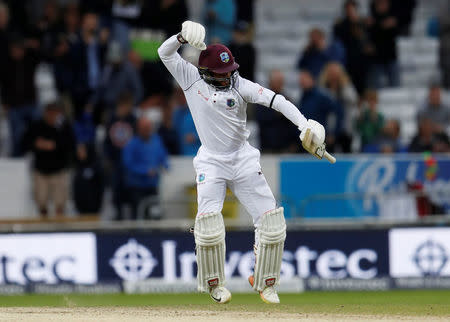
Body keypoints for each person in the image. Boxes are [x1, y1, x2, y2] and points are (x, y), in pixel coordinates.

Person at [158, 21, 329, 304]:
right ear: (205, 72)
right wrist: (179, 37)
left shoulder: (240, 84)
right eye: (221, 74)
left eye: (229, 72)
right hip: (212, 162)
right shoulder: (189, 77)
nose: (227, 78)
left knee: (272, 222)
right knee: (209, 226)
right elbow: (164, 53)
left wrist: (303, 125)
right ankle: (214, 285)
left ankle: (265, 283)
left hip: (243, 158)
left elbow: (277, 100)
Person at [22, 101, 75, 218]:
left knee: (60, 203)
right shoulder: (37, 126)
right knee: (41, 202)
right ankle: (43, 227)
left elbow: (71, 144)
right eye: (50, 113)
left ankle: (60, 228)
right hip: (41, 170)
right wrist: (37, 144)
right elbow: (25, 143)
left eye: (54, 113)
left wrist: (54, 145)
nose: (52, 116)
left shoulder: (63, 127)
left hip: (59, 170)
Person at [0, 36, 41, 157]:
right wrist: (5, 102)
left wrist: (32, 47)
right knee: (17, 135)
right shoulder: (6, 64)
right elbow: (4, 86)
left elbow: (43, 56)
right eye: (15, 49)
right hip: (14, 105)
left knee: (37, 130)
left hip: (31, 103)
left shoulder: (30, 60)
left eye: (20, 49)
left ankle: (37, 155)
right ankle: (17, 158)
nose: (18, 52)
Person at [122, 115, 168, 220]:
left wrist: (165, 165)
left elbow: (162, 154)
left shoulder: (156, 140)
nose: (148, 130)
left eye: (149, 128)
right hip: (137, 187)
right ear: (139, 129)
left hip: (152, 185)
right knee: (139, 214)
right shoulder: (131, 144)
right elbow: (128, 164)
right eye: (145, 128)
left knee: (155, 213)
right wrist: (144, 171)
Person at [104, 92, 137, 220]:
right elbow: (107, 141)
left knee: (132, 191)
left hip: (130, 163)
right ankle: (118, 216)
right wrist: (109, 158)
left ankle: (134, 219)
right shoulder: (111, 120)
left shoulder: (133, 119)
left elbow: (136, 139)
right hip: (116, 162)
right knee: (117, 191)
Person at [333, 0, 372, 95]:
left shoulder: (363, 23)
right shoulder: (341, 25)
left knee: (363, 87)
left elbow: (368, 40)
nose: (350, 11)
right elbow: (339, 39)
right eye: (348, 9)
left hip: (363, 63)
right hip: (347, 62)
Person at [299, 69, 344, 151]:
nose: (302, 82)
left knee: (322, 161)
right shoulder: (302, 98)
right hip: (307, 140)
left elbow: (336, 112)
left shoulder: (322, 96)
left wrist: (332, 133)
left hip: (321, 139)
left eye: (305, 79)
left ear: (312, 80)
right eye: (301, 80)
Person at [318, 62, 358, 152]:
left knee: (346, 151)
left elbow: (353, 100)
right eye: (331, 74)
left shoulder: (346, 88)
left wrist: (342, 89)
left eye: (336, 74)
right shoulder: (323, 90)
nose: (334, 77)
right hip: (327, 128)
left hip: (345, 127)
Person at [255, 70, 298, 152]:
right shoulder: (262, 99)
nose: (279, 84)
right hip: (268, 148)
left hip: (286, 148)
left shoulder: (287, 100)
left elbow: (293, 124)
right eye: (277, 81)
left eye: (281, 82)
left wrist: (294, 142)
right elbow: (260, 118)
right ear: (270, 82)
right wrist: (277, 113)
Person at [367, 0, 400, 88]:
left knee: (395, 88)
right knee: (375, 88)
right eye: (380, 3)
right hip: (376, 58)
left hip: (390, 56)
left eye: (385, 3)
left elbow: (396, 33)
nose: (383, 6)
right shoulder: (370, 20)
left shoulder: (393, 18)